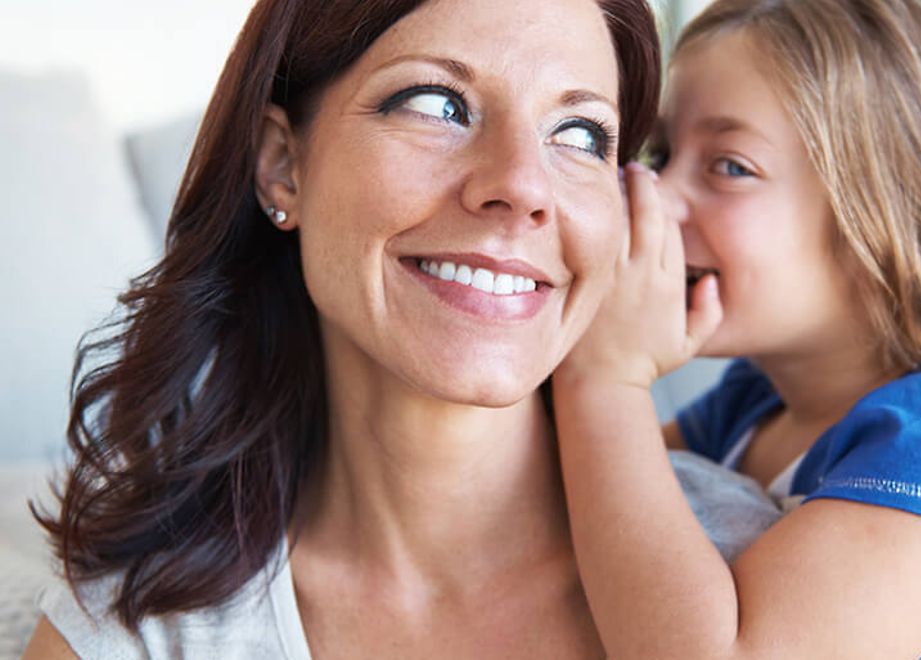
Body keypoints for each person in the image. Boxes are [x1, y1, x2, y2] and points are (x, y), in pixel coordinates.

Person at [21, 0, 662, 657]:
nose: (523, 186)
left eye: (582, 134)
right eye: (436, 103)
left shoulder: (743, 585)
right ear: (282, 165)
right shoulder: (138, 632)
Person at [553, 0, 921, 657]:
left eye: (729, 166)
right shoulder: (750, 405)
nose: (659, 195)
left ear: (888, 221)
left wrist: (604, 380)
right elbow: (582, 491)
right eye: (662, 152)